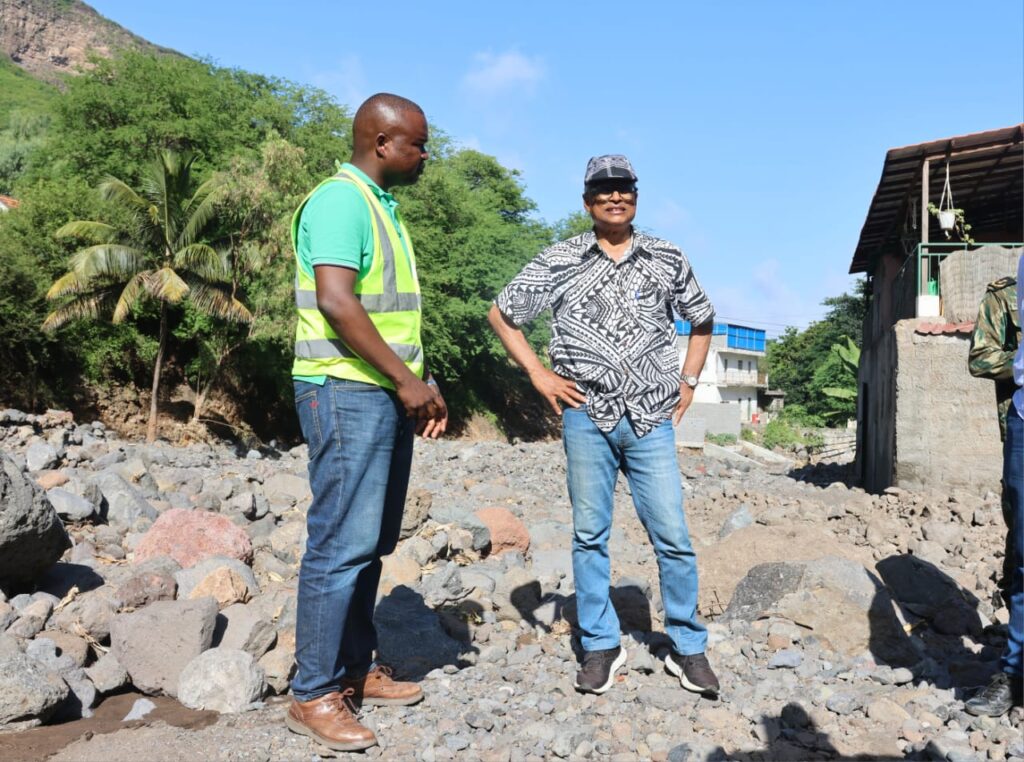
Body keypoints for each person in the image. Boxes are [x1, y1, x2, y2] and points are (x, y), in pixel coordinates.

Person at [488, 154, 719, 696]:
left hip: (650, 417)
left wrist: (688, 381)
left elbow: (702, 318)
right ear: (587, 199)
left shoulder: (667, 256)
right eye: (603, 189)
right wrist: (538, 374)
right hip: (585, 415)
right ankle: (600, 644)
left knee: (673, 535)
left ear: (635, 196)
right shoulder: (561, 258)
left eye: (624, 188)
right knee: (589, 536)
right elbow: (502, 314)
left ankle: (688, 646)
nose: (615, 197)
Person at [286, 93, 447, 751]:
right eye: (417, 144)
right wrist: (406, 383)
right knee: (339, 543)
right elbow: (337, 302)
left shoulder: (381, 207)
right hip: (344, 389)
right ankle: (313, 693)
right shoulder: (340, 201)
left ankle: (354, 669)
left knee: (371, 542)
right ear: (382, 143)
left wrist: (421, 383)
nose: (425, 155)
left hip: (382, 390)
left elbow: (390, 316)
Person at [966, 256, 1024, 717]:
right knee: (1023, 553)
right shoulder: (1008, 288)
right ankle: (1015, 673)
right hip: (1023, 421)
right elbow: (981, 357)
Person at [968, 275, 1021, 604]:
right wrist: (1020, 363)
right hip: (1021, 426)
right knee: (1020, 521)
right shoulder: (1005, 296)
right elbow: (980, 357)